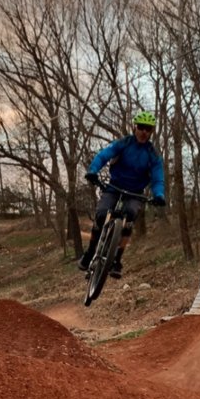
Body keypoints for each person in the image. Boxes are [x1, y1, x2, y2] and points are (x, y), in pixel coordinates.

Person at [78, 111, 166, 279]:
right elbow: (104, 155)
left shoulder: (153, 155)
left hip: (135, 193)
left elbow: (158, 177)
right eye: (141, 128)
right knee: (101, 214)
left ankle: (117, 260)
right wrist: (93, 171)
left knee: (130, 216)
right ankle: (90, 252)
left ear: (151, 132)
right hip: (114, 186)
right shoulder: (124, 143)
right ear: (135, 127)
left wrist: (159, 194)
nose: (144, 132)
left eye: (148, 129)